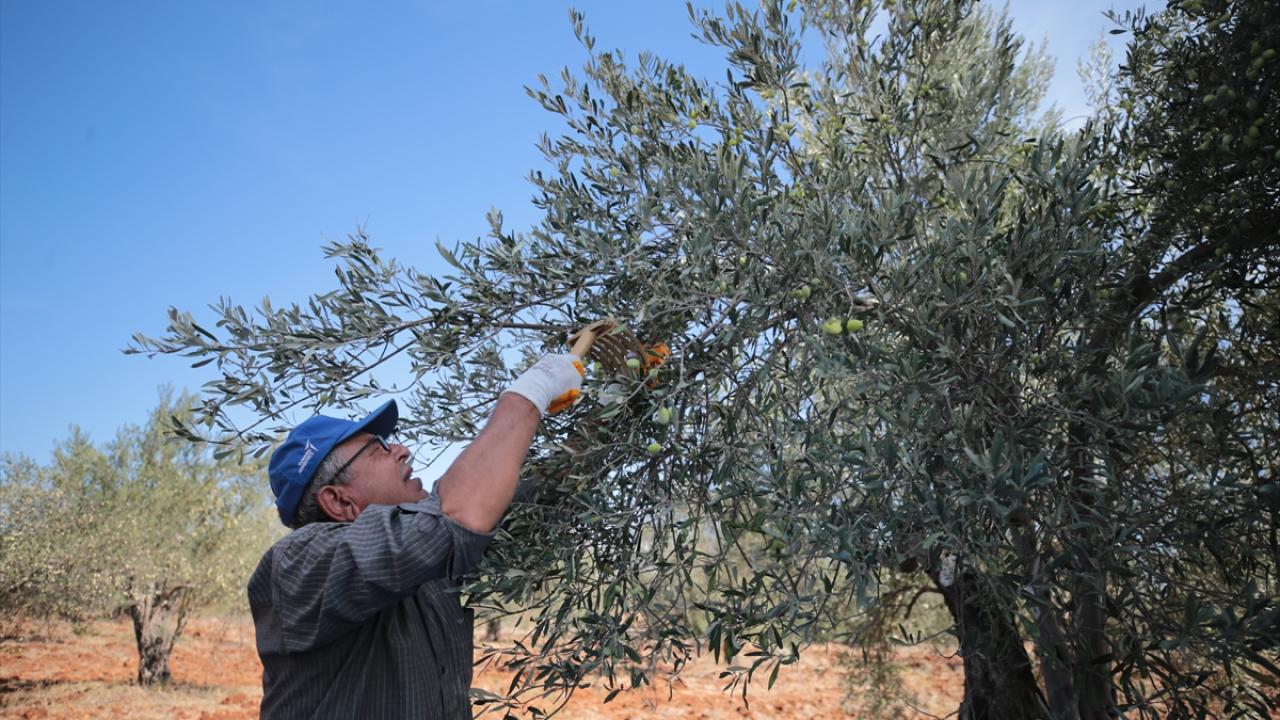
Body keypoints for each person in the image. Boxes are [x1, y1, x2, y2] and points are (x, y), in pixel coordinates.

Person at [248, 352, 586, 719]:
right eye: (377, 449)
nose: (401, 449)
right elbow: (459, 513)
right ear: (339, 501)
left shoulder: (422, 560)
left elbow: (527, 497)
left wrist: (620, 408)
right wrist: (529, 392)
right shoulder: (299, 564)